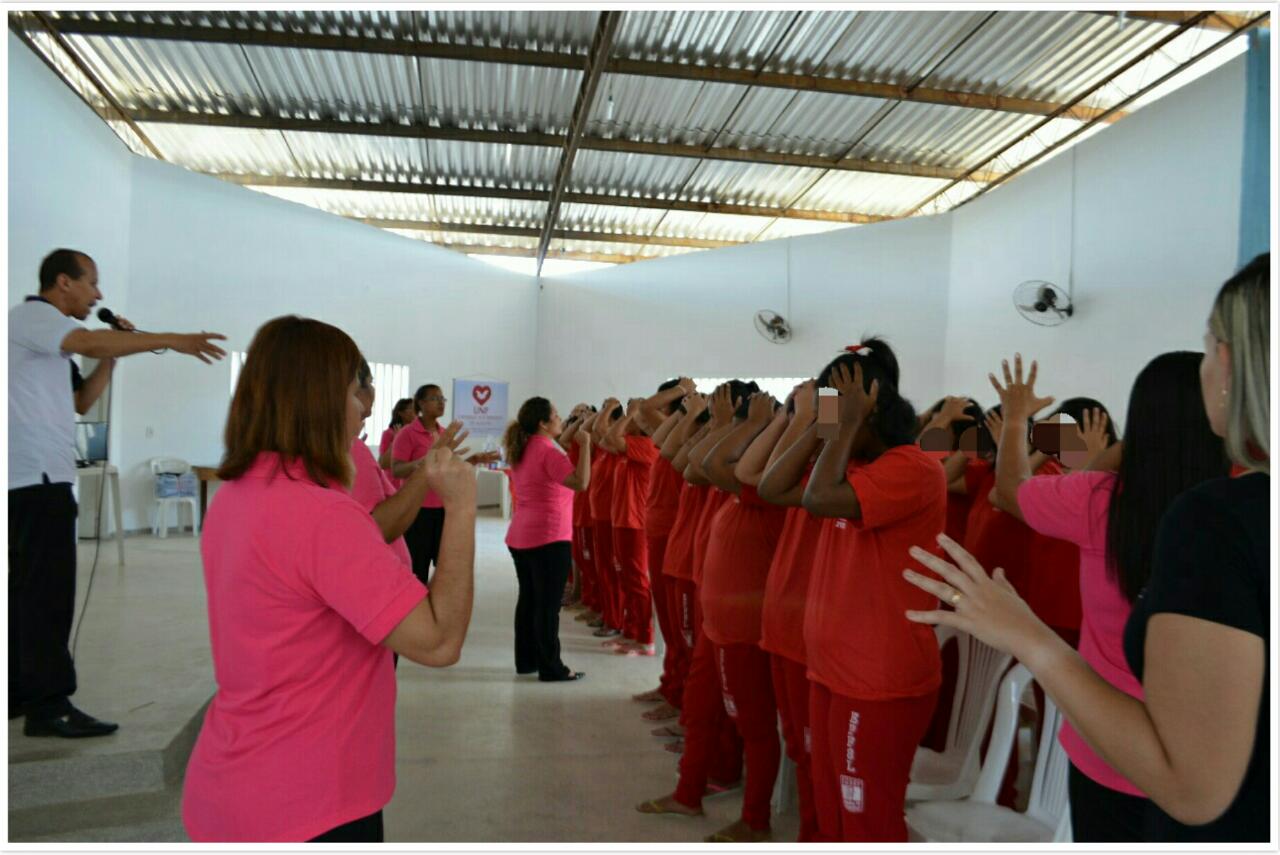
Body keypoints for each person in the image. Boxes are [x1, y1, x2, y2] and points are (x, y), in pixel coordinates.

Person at [902, 253, 1269, 843]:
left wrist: (1024, 427)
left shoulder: (1166, 511)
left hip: (1116, 745)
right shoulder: (1220, 505)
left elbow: (1008, 490)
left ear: (1229, 364)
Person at [182, 315, 477, 843]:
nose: (365, 405)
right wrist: (459, 507)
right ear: (318, 397)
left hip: (235, 784)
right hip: (310, 801)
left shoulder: (235, 496)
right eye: (354, 388)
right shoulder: (320, 514)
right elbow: (439, 640)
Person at [986, 351, 1228, 841]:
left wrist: (1016, 419)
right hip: (1207, 760)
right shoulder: (1237, 511)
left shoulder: (1100, 500)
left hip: (1107, 743)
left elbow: (1010, 490)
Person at [8, 248, 226, 737]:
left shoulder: (50, 341)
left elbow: (82, 401)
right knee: (46, 594)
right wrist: (172, 340)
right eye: (92, 283)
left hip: (39, 479)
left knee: (24, 594)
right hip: (35, 481)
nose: (99, 294)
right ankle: (50, 705)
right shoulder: (33, 316)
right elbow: (87, 339)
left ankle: (20, 691)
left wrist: (115, 356)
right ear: (63, 282)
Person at [801, 341, 946, 842]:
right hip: (834, 669)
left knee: (868, 821)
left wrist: (841, 428)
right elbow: (775, 485)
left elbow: (817, 499)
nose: (825, 426)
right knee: (833, 812)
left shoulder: (914, 468)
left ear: (871, 409)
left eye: (833, 411)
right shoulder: (855, 467)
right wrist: (832, 426)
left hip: (877, 680)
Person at [757, 379, 825, 841]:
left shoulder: (868, 468)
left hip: (811, 630)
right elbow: (758, 476)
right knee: (799, 746)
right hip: (783, 620)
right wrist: (791, 419)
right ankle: (809, 831)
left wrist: (812, 420)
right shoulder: (808, 459)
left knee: (815, 750)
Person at [502, 397, 591, 682]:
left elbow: (560, 441)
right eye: (556, 415)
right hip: (548, 537)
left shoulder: (525, 447)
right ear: (543, 422)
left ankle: (526, 660)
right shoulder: (548, 453)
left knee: (529, 600)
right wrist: (586, 445)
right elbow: (580, 482)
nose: (560, 418)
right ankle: (552, 667)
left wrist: (575, 425)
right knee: (548, 606)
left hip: (521, 535)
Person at [391, 383, 496, 583]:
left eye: (442, 399)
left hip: (444, 508)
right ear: (420, 403)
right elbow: (396, 469)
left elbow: (446, 466)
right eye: (434, 398)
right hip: (417, 510)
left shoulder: (444, 433)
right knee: (417, 568)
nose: (441, 403)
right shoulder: (407, 434)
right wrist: (422, 463)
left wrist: (473, 459)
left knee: (446, 567)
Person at [603, 399, 662, 654]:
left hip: (635, 522)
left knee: (637, 581)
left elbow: (613, 437)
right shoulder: (631, 443)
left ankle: (645, 638)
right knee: (625, 579)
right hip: (622, 520)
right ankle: (630, 631)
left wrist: (634, 414)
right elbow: (606, 437)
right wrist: (628, 415)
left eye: (636, 415)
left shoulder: (647, 445)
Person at [379, 397, 416, 488]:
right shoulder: (388, 433)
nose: (415, 412)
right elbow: (383, 464)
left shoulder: (417, 434)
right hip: (393, 486)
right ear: (401, 413)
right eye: (411, 408)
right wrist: (396, 439)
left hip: (412, 485)